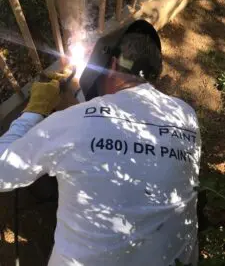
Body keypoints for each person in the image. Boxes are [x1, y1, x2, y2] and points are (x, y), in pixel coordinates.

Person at [0, 20, 201, 266]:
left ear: (113, 64)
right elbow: (117, 131)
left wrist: (35, 110)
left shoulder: (72, 123)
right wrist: (75, 110)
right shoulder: (186, 116)